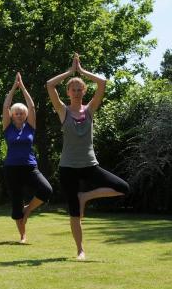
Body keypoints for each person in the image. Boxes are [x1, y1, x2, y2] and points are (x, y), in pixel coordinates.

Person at [47, 53, 129, 260]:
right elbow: (49, 85)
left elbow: (102, 83)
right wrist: (69, 72)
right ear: (68, 92)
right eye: (73, 89)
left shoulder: (90, 109)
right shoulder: (63, 111)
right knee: (75, 212)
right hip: (68, 168)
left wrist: (81, 71)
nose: (76, 92)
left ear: (84, 91)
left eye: (79, 89)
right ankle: (80, 250)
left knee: (122, 188)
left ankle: (86, 196)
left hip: (90, 165)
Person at [1, 72, 52, 243]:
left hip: (30, 167)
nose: (20, 115)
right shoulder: (8, 128)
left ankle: (28, 210)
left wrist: (22, 87)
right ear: (12, 115)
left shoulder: (30, 127)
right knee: (16, 205)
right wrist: (13, 88)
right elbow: (5, 106)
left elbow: (32, 107)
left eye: (22, 113)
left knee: (46, 190)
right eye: (16, 113)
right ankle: (22, 235)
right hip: (12, 169)